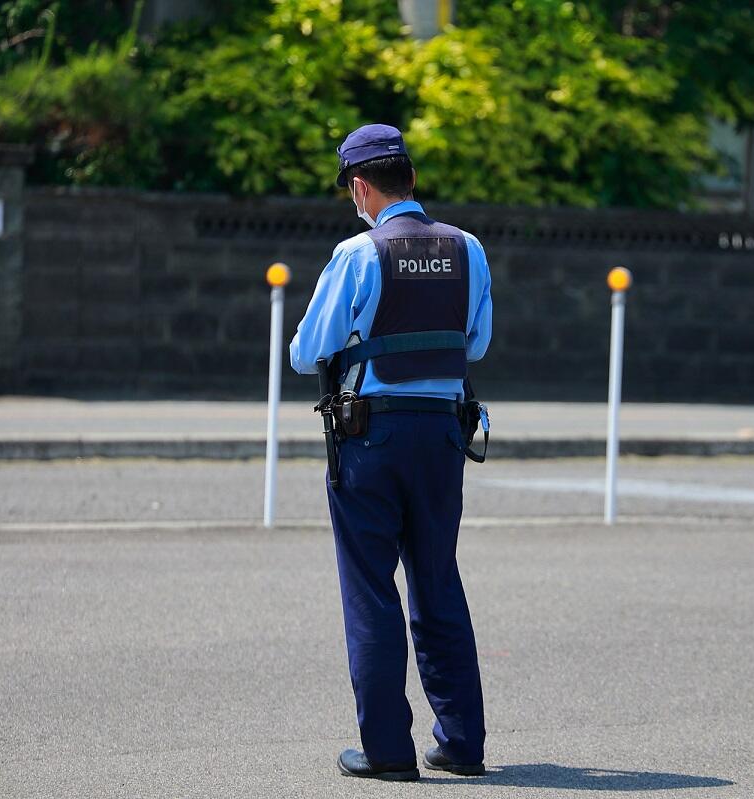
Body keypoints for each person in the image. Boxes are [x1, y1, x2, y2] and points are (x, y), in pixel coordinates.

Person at [290, 123, 493, 781]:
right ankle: (461, 743)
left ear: (360, 187)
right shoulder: (469, 249)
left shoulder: (357, 253)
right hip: (441, 437)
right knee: (437, 579)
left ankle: (387, 751)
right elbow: (477, 344)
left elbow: (305, 352)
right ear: (410, 178)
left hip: (369, 437)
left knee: (371, 590)